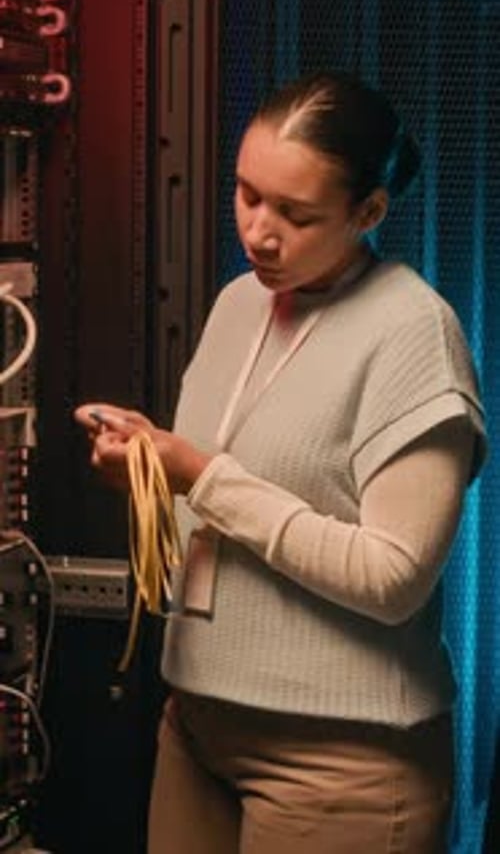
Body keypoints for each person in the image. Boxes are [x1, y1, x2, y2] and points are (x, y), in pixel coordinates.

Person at [75, 70, 487, 854]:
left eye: (295, 215)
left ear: (368, 213)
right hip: (196, 725)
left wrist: (201, 474)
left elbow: (392, 578)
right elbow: (230, 513)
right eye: (247, 194)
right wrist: (150, 475)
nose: (259, 232)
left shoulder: (413, 335)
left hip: (341, 760)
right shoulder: (241, 303)